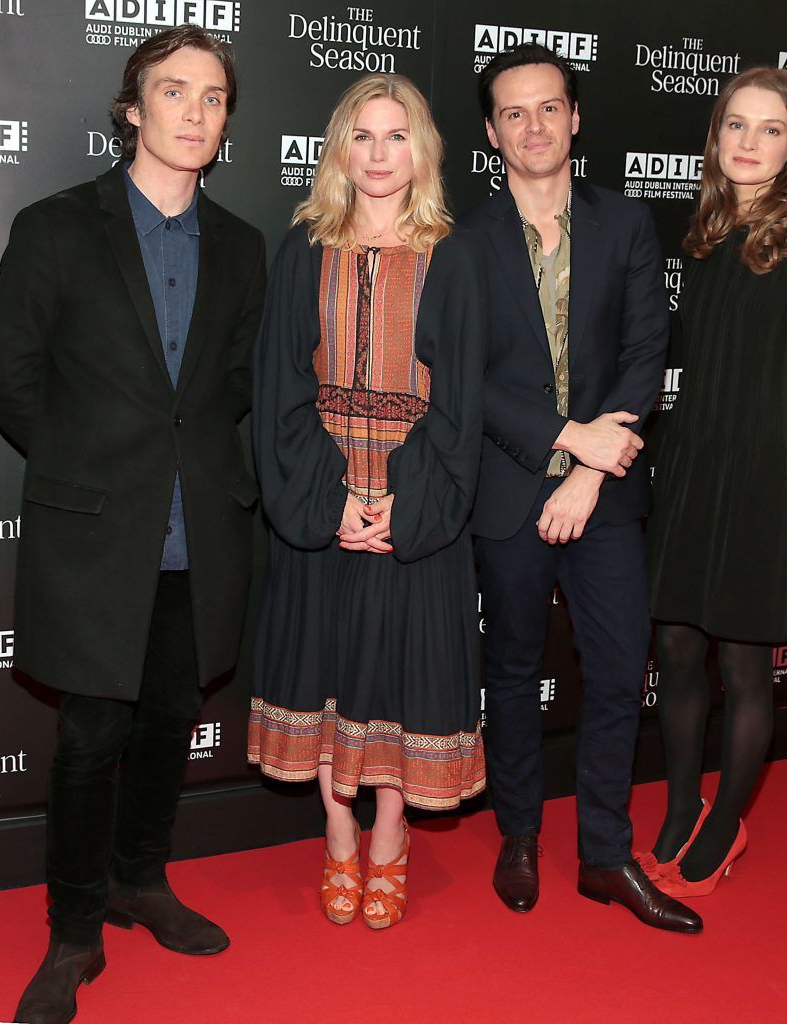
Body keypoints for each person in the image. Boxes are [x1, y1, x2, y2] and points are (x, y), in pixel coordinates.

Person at [0, 25, 266, 1023]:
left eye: (213, 96)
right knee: (91, 734)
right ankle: (73, 930)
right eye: (173, 91)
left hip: (202, 533)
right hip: (95, 531)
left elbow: (228, 389)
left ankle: (142, 880)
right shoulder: (59, 227)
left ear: (226, 121)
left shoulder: (239, 245)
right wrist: (87, 468)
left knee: (170, 717)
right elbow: (3, 377)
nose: (194, 111)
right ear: (131, 108)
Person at [461, 43, 701, 934]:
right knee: (514, 672)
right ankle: (518, 835)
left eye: (549, 107)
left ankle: (605, 853)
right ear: (491, 132)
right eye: (513, 112)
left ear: (575, 117)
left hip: (606, 497)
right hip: (509, 491)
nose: (534, 125)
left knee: (613, 674)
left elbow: (646, 354)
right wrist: (566, 443)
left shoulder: (627, 224)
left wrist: (593, 472)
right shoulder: (464, 239)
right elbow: (463, 377)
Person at [248, 73, 486, 930]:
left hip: (417, 499)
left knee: (397, 674)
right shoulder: (303, 248)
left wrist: (402, 505)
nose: (379, 154)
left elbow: (463, 405)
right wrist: (329, 501)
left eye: (396, 136)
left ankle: (390, 835)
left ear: (421, 149)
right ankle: (337, 833)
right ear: (338, 150)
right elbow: (277, 386)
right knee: (326, 670)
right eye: (363, 136)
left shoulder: (452, 256)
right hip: (321, 492)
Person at [640, 67, 787, 897]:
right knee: (675, 647)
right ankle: (678, 806)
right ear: (716, 135)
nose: (748, 142)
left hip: (769, 479)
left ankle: (727, 823)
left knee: (743, 665)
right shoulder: (703, 238)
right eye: (735, 124)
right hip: (698, 466)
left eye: (770, 129)